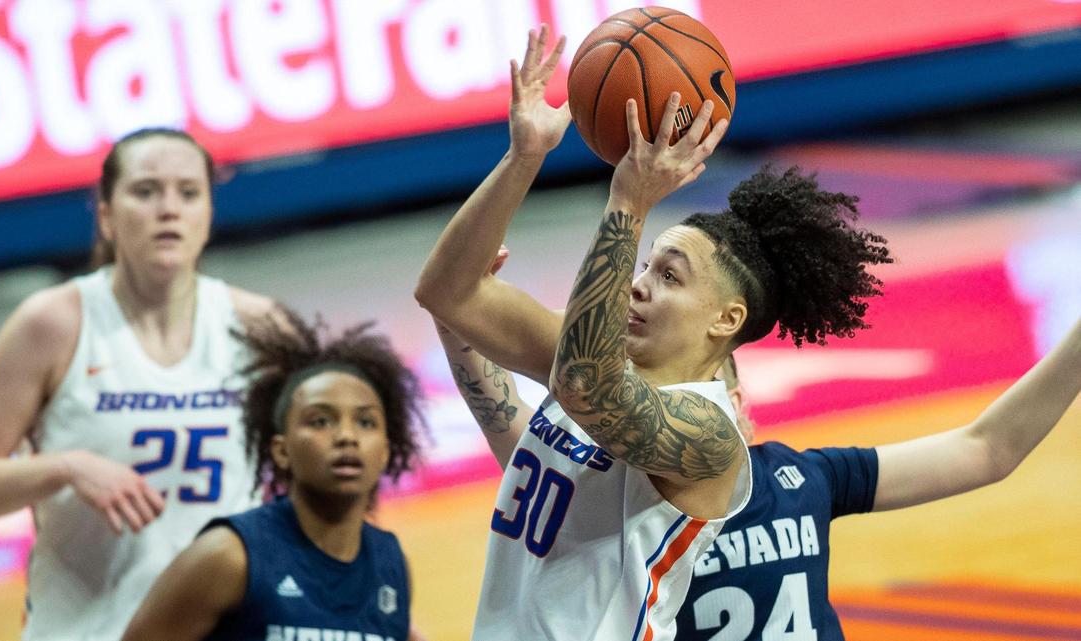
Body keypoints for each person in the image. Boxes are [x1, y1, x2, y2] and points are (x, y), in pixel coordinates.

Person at [415, 25, 892, 641]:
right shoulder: (588, 359)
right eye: (645, 266)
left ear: (727, 319)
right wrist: (524, 157)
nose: (639, 285)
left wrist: (630, 203)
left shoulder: (709, 435)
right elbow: (447, 293)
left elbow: (586, 386)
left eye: (669, 276)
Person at [0, 127, 283, 641]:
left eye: (188, 193)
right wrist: (65, 468)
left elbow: (316, 485)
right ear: (105, 213)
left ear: (209, 212)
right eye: (145, 191)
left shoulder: (263, 327)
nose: (169, 209)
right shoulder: (52, 324)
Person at [674, 320, 1081, 641]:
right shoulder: (622, 512)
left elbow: (988, 449)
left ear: (739, 405)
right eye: (663, 395)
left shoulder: (805, 477)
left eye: (701, 387)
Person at [121, 311, 424, 641]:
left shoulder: (391, 567)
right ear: (281, 450)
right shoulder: (228, 556)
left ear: (384, 451)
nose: (346, 437)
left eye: (365, 422)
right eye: (321, 421)